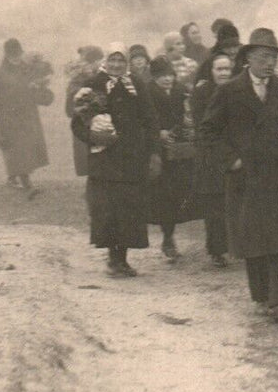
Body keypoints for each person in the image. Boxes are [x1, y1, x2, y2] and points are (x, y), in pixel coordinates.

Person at [198, 28, 278, 324]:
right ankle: (262, 297)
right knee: (255, 242)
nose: (270, 63)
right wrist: (230, 160)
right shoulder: (229, 91)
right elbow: (208, 131)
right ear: (248, 58)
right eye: (263, 56)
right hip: (246, 178)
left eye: (273, 57)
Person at [71, 48, 152, 276]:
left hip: (131, 157)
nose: (116, 65)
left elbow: (150, 118)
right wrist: (93, 137)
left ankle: (122, 258)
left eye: (121, 60)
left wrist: (152, 150)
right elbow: (77, 123)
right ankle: (112, 258)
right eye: (112, 60)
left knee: (128, 209)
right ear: (106, 62)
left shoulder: (136, 84)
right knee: (107, 209)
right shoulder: (93, 84)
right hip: (104, 159)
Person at [0, 38, 54, 197]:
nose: (15, 58)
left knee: (26, 147)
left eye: (18, 54)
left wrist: (40, 89)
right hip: (9, 117)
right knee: (17, 148)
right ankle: (26, 182)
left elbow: (39, 91)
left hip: (28, 114)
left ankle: (13, 176)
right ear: (6, 55)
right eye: (12, 55)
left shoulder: (28, 70)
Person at [189, 52, 236, 265]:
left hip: (233, 152)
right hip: (210, 154)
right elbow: (204, 126)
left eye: (227, 69)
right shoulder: (201, 93)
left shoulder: (237, 90)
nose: (224, 73)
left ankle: (234, 245)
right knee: (214, 205)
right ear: (211, 71)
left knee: (233, 202)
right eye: (220, 69)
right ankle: (217, 250)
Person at [148, 56, 195, 260]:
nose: (166, 79)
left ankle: (170, 235)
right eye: (161, 76)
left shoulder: (180, 90)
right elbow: (143, 119)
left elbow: (188, 115)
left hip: (179, 150)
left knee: (178, 193)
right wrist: (158, 133)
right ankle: (168, 238)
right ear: (154, 77)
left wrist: (186, 124)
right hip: (158, 152)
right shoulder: (146, 92)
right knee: (163, 196)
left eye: (169, 75)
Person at [64, 45, 105, 178]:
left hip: (94, 122)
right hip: (85, 123)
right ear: (91, 62)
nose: (100, 63)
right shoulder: (78, 82)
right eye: (98, 60)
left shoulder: (97, 78)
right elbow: (70, 109)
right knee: (89, 156)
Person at [194, 20, 242, 85]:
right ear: (220, 48)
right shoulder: (209, 61)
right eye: (228, 47)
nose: (232, 51)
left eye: (235, 47)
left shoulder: (245, 58)